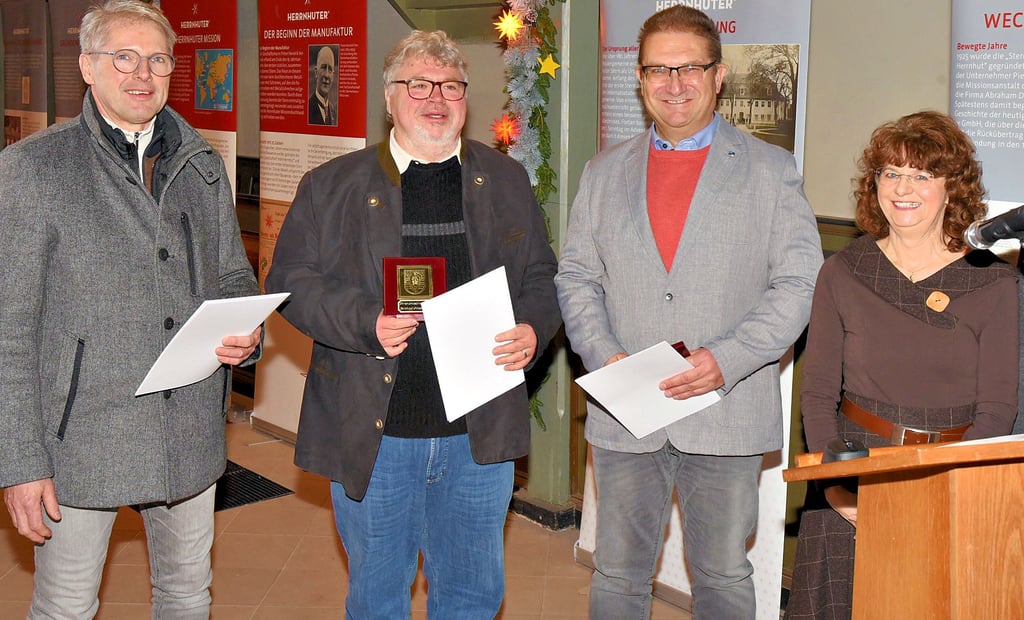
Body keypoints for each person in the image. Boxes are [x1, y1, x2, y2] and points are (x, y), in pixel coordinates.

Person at [264, 30, 560, 618]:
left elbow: (542, 278)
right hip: (377, 436)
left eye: (451, 86)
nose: (436, 98)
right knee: (377, 598)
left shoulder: (504, 180)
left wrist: (532, 327)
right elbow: (289, 283)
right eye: (418, 84)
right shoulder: (332, 186)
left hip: (477, 438)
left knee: (473, 596)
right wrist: (364, 322)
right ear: (389, 98)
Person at [555, 5, 822, 619]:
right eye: (658, 69)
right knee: (617, 574)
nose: (674, 84)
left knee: (723, 577)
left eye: (690, 68)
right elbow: (576, 277)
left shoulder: (769, 170)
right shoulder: (602, 172)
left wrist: (725, 360)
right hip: (627, 411)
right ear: (641, 78)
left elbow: (799, 282)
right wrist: (605, 355)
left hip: (724, 408)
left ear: (719, 75)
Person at [0, 1, 261, 617]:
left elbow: (231, 272)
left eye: (159, 59)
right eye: (124, 57)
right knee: (66, 605)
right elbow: (8, 331)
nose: (143, 74)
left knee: (186, 593)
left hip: (186, 427)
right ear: (88, 67)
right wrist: (19, 463)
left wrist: (243, 325)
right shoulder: (34, 169)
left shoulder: (201, 163)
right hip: (80, 437)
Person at [787, 111, 1019, 619]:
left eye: (921, 175)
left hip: (952, 476)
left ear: (951, 188)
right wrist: (840, 490)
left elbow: (998, 410)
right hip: (856, 468)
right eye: (891, 173)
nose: (902, 188)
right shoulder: (843, 271)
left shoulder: (994, 283)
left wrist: (947, 496)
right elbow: (819, 392)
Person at [308, 45, 337, 125]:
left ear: (333, 76)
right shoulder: (308, 108)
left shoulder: (333, 112)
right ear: (316, 72)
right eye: (324, 68)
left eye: (330, 69)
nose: (327, 75)